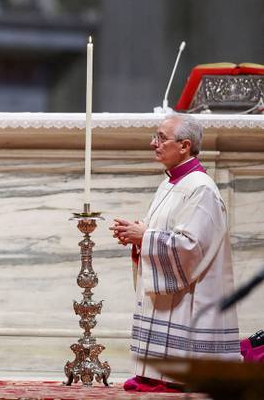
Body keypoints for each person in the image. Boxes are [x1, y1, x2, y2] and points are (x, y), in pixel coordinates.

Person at [111, 114, 241, 392]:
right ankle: (156, 373)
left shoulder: (201, 188)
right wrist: (137, 236)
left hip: (194, 293)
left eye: (160, 138)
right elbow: (167, 231)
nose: (152, 143)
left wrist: (145, 237)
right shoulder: (170, 183)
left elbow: (191, 247)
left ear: (184, 146)